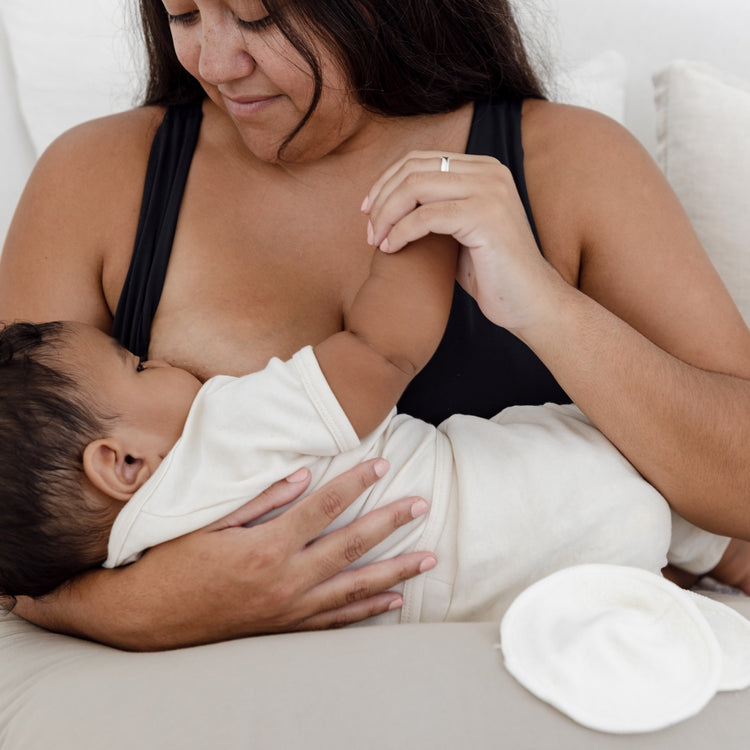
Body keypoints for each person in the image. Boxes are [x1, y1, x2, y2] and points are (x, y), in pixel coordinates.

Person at [1, 0, 750, 650]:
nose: (215, 61)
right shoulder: (99, 179)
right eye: (184, 15)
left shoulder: (571, 163)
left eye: (259, 16)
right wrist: (140, 608)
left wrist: (545, 306)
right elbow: (13, 516)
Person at [0, 312, 732, 621]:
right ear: (122, 461)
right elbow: (381, 353)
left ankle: (683, 556)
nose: (158, 360)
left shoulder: (121, 561)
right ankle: (706, 548)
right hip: (542, 493)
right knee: (602, 449)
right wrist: (410, 230)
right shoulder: (224, 431)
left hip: (480, 603)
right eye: (137, 365)